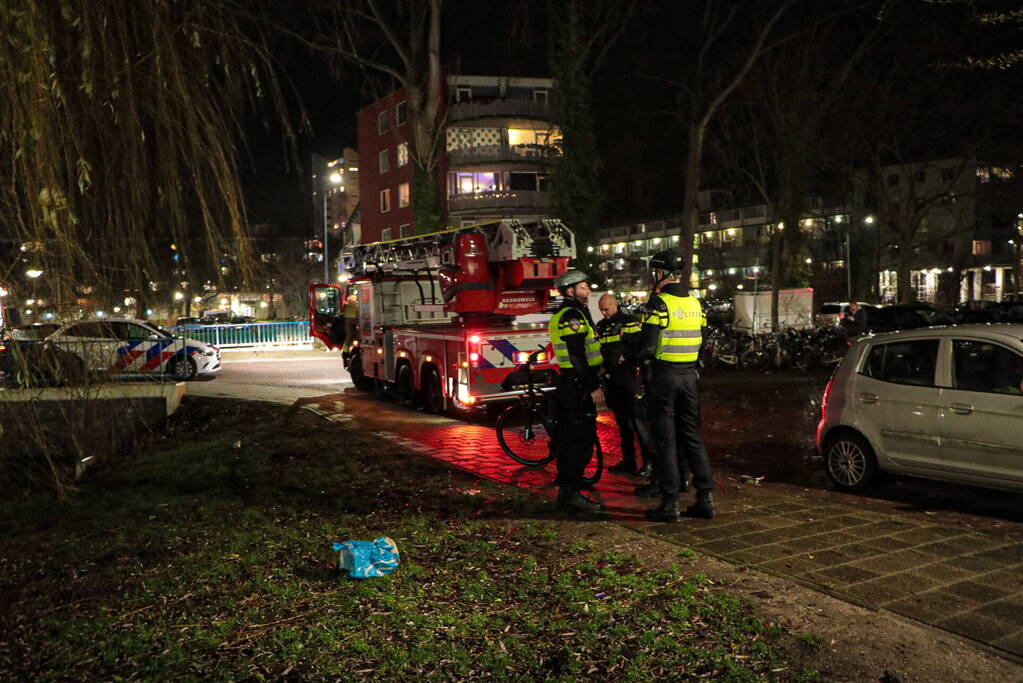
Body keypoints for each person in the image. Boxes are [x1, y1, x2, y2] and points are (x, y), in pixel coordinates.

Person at [634, 249, 715, 522]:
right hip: (689, 377)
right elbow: (703, 342)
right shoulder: (696, 304)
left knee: (666, 439)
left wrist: (629, 353)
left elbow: (647, 347)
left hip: (664, 377)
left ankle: (670, 503)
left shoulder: (658, 304)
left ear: (660, 273)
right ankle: (705, 498)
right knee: (692, 436)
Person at [548, 269, 605, 513]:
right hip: (577, 385)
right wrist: (592, 386)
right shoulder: (571, 315)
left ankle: (571, 485)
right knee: (579, 439)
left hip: (572, 383)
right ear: (570, 291)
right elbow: (576, 354)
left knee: (572, 437)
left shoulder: (571, 313)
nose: (588, 290)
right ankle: (569, 494)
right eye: (583, 287)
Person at [595, 292, 652, 475]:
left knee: (639, 422)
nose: (604, 313)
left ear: (615, 305)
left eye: (606, 309)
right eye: (601, 310)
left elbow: (641, 346)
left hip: (629, 377)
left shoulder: (629, 321)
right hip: (612, 379)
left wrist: (626, 355)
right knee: (622, 424)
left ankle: (649, 462)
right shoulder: (601, 326)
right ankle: (629, 461)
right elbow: (600, 349)